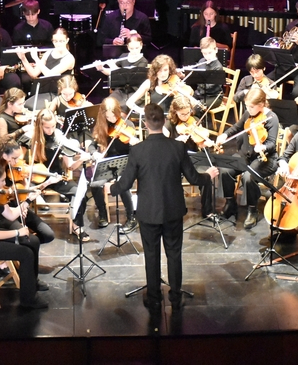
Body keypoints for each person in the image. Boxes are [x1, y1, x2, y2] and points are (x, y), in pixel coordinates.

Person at [112, 103, 218, 311]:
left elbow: (124, 184)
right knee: (174, 253)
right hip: (172, 210)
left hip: (148, 212)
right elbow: (194, 177)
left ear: (145, 124)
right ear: (164, 122)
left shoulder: (138, 150)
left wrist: (111, 187)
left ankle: (153, 298)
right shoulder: (177, 147)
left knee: (151, 255)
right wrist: (209, 176)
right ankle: (176, 297)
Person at [0, 163, 49, 309]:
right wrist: (18, 232)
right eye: (2, 180)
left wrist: (28, 200)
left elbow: (11, 215)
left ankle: (31, 283)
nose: (5, 183)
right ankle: (28, 299)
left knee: (34, 241)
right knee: (26, 253)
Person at [216, 88, 279, 229]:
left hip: (265, 159)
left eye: (251, 107)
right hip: (246, 155)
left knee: (248, 177)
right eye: (247, 106)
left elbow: (271, 143)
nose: (248, 109)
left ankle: (252, 210)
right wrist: (225, 135)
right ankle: (230, 203)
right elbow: (237, 127)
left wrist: (263, 147)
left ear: (262, 105)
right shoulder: (248, 114)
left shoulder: (271, 118)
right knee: (225, 169)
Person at [82, 97, 139, 234]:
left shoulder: (128, 125)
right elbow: (91, 146)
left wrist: (134, 144)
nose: (112, 119)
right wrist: (95, 153)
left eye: (114, 115)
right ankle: (102, 214)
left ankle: (131, 218)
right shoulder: (101, 126)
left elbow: (135, 153)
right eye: (108, 116)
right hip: (108, 163)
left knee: (122, 183)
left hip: (125, 163)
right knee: (95, 184)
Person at [0, 136, 56, 246]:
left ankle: (25, 247)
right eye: (14, 158)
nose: (17, 162)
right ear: (4, 156)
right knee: (28, 240)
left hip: (19, 206)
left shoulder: (16, 170)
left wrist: (45, 184)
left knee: (48, 235)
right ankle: (22, 249)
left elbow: (23, 192)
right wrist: (22, 205)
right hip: (3, 213)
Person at [165, 95, 216, 216]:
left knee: (206, 175)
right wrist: (176, 142)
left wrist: (205, 142)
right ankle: (176, 209)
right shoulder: (168, 125)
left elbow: (201, 142)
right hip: (175, 160)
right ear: (175, 111)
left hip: (193, 157)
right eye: (182, 114)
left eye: (188, 112)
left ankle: (207, 211)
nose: (186, 116)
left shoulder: (195, 120)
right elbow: (163, 148)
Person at [126, 55, 193, 115]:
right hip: (156, 120)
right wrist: (141, 110)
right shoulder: (149, 83)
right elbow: (129, 102)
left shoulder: (176, 82)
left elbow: (189, 103)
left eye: (165, 70)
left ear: (170, 70)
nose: (162, 74)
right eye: (159, 70)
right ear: (155, 71)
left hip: (173, 120)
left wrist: (181, 92)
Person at [93, 34, 148, 106]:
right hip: (121, 90)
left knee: (121, 107)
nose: (134, 51)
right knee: (107, 104)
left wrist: (112, 65)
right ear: (128, 47)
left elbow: (125, 74)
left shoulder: (143, 61)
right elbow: (112, 72)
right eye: (132, 48)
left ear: (141, 46)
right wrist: (101, 69)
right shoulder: (124, 56)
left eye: (137, 48)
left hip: (135, 92)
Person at [16, 28, 76, 94]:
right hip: (47, 90)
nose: (58, 44)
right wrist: (23, 58)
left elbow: (50, 75)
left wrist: (36, 58)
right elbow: (34, 74)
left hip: (62, 92)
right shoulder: (48, 53)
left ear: (67, 40)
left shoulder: (69, 58)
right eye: (55, 41)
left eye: (61, 41)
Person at [192, 37, 225, 110]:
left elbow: (208, 86)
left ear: (216, 50)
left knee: (196, 108)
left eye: (210, 53)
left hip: (213, 97)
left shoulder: (218, 68)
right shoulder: (201, 61)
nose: (207, 56)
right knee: (184, 104)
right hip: (200, 94)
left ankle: (197, 121)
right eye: (204, 53)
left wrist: (194, 79)